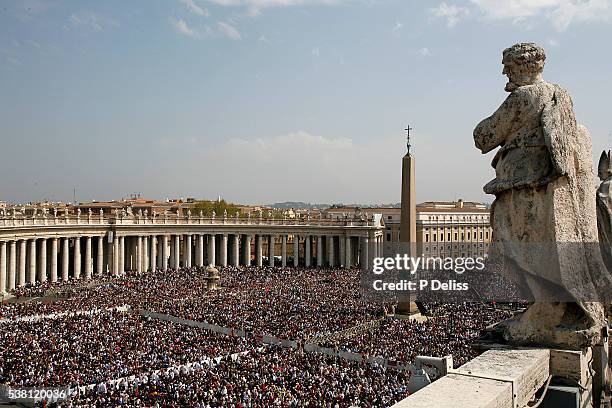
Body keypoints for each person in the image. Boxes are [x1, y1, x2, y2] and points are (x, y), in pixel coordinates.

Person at [474, 42, 611, 348]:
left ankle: (547, 308)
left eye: (508, 66)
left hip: (524, 189)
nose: (504, 71)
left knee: (522, 248)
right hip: (545, 190)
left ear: (523, 66)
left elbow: (484, 137)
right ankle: (553, 307)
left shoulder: (523, 97)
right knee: (538, 251)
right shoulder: (560, 94)